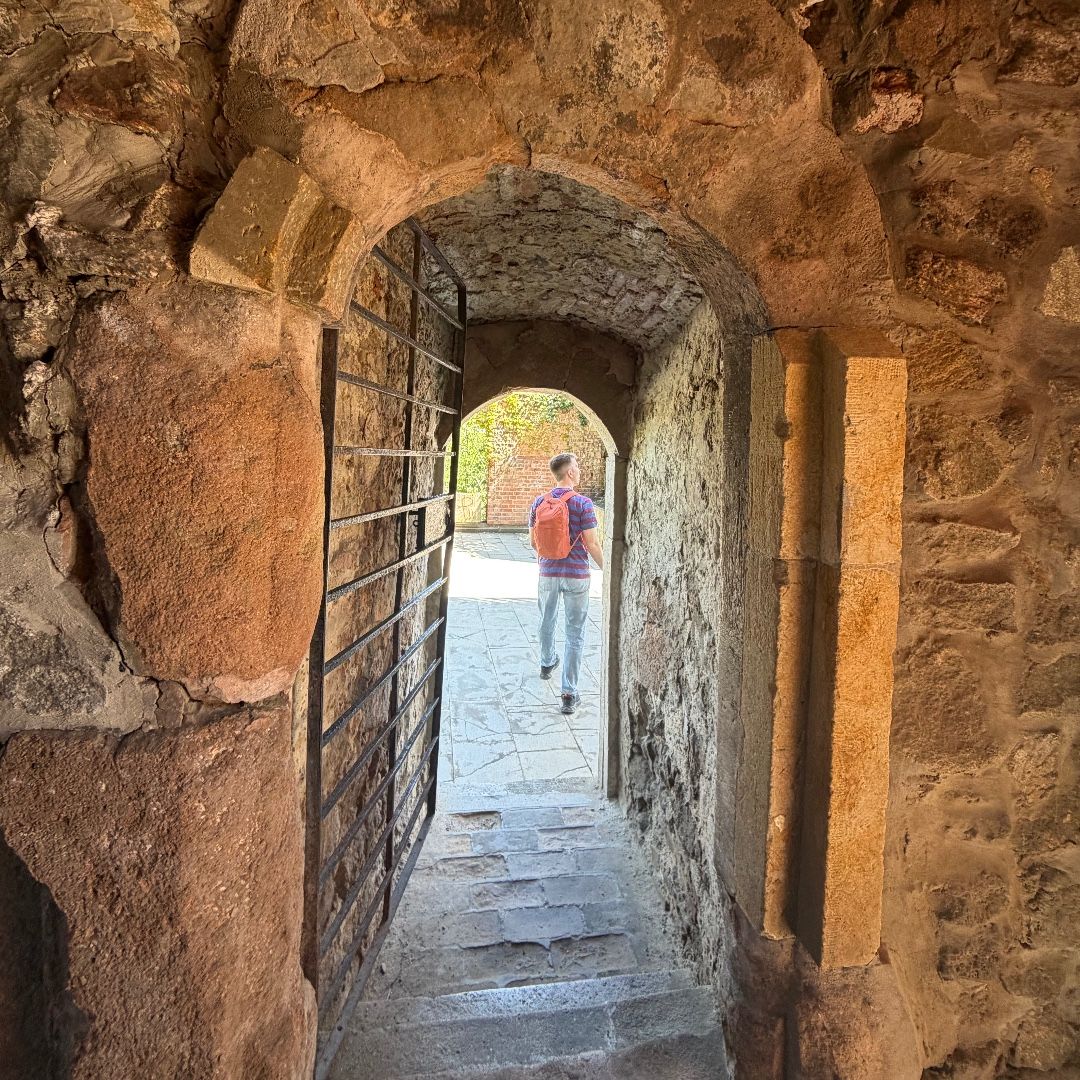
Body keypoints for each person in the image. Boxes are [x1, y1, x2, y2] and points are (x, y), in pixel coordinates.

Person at [528, 452, 604, 715]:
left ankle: (547, 662)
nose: (579, 470)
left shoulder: (539, 502)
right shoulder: (583, 503)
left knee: (546, 621)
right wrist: (607, 569)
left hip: (548, 573)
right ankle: (569, 693)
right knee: (574, 633)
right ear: (570, 472)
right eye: (577, 467)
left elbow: (533, 542)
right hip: (576, 576)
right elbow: (592, 544)